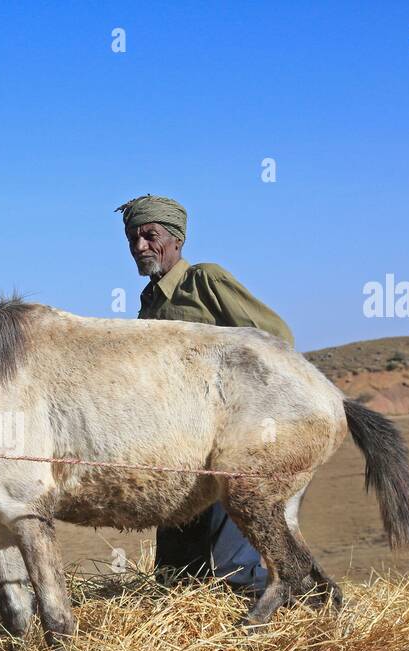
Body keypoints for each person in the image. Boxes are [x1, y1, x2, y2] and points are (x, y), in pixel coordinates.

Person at [116, 193, 295, 593]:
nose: (140, 246)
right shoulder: (150, 302)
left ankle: (261, 635)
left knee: (235, 564)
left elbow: (277, 340)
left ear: (177, 239)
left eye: (150, 235)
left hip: (224, 446)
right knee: (176, 573)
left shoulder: (204, 280)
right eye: (132, 238)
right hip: (175, 453)